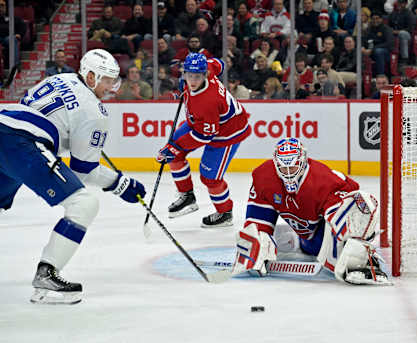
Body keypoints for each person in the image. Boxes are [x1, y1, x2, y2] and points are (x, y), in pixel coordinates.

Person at [0, 49, 146, 304]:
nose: (112, 86)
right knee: (84, 204)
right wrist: (121, 184)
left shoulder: (59, 78)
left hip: (5, 124)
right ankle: (48, 272)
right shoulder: (95, 112)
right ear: (90, 77)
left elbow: (32, 109)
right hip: (21, 143)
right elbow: (83, 171)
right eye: (107, 80)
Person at [231, 138, 390, 285]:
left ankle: (361, 257)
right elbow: (257, 220)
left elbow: (350, 205)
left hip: (318, 237)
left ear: (303, 162)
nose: (288, 173)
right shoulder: (264, 177)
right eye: (282, 167)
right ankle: (290, 241)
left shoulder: (323, 180)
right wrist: (254, 245)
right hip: (305, 234)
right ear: (275, 163)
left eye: (292, 166)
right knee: (255, 235)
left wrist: (353, 239)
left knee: (353, 207)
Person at [156, 53, 251, 228]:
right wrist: (175, 148)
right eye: (188, 75)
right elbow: (219, 64)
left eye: (197, 77)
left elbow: (204, 136)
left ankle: (225, 213)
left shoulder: (207, 101)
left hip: (227, 133)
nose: (192, 81)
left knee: (210, 178)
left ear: (205, 74)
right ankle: (187, 196)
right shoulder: (208, 68)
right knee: (173, 151)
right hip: (200, 123)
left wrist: (176, 147)